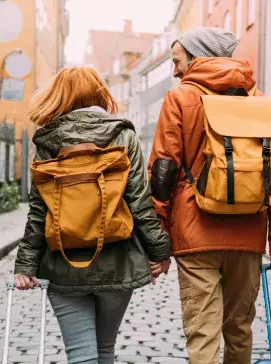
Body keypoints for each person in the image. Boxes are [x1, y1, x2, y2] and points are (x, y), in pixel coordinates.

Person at [148, 27, 271, 364]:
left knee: (203, 333)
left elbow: (162, 172)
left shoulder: (180, 98)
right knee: (240, 330)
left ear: (199, 57)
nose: (174, 70)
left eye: (177, 61)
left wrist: (157, 245)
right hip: (248, 232)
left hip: (194, 232)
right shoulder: (260, 101)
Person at [13, 67, 171, 364]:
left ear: (60, 96)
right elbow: (139, 201)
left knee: (81, 355)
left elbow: (39, 209)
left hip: (63, 263)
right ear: (100, 93)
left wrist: (25, 265)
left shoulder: (48, 140)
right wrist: (160, 252)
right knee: (104, 349)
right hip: (117, 260)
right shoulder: (122, 134)